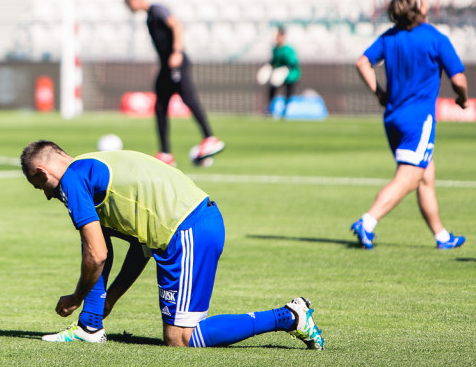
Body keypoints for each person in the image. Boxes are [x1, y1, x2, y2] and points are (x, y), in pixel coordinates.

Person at [20, 140, 325, 349]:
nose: (47, 195)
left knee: (181, 339)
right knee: (100, 242)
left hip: (189, 229)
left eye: (40, 187)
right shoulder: (90, 165)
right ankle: (89, 328)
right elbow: (134, 247)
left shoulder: (73, 181)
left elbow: (96, 255)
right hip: (191, 226)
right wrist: (105, 302)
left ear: (41, 172)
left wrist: (76, 296)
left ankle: (289, 316)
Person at [351, 0, 468, 250]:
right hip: (419, 121)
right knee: (410, 176)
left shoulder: (390, 38)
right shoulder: (435, 38)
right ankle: (367, 221)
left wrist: (379, 93)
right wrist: (462, 99)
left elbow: (362, 62)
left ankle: (441, 236)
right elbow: (459, 79)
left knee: (426, 173)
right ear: (420, 7)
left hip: (392, 117)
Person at [124, 0, 223, 167]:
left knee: (189, 99)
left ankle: (210, 138)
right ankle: (165, 153)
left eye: (130, 4)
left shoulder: (157, 10)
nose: (130, 8)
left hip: (176, 63)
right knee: (160, 106)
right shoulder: (150, 16)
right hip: (166, 65)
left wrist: (177, 52)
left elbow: (177, 25)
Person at [267, 26, 301, 117]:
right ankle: (270, 109)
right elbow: (273, 62)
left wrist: (284, 69)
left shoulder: (288, 49)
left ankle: (286, 111)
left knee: (288, 92)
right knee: (272, 87)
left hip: (290, 75)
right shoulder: (275, 49)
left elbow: (293, 63)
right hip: (278, 75)